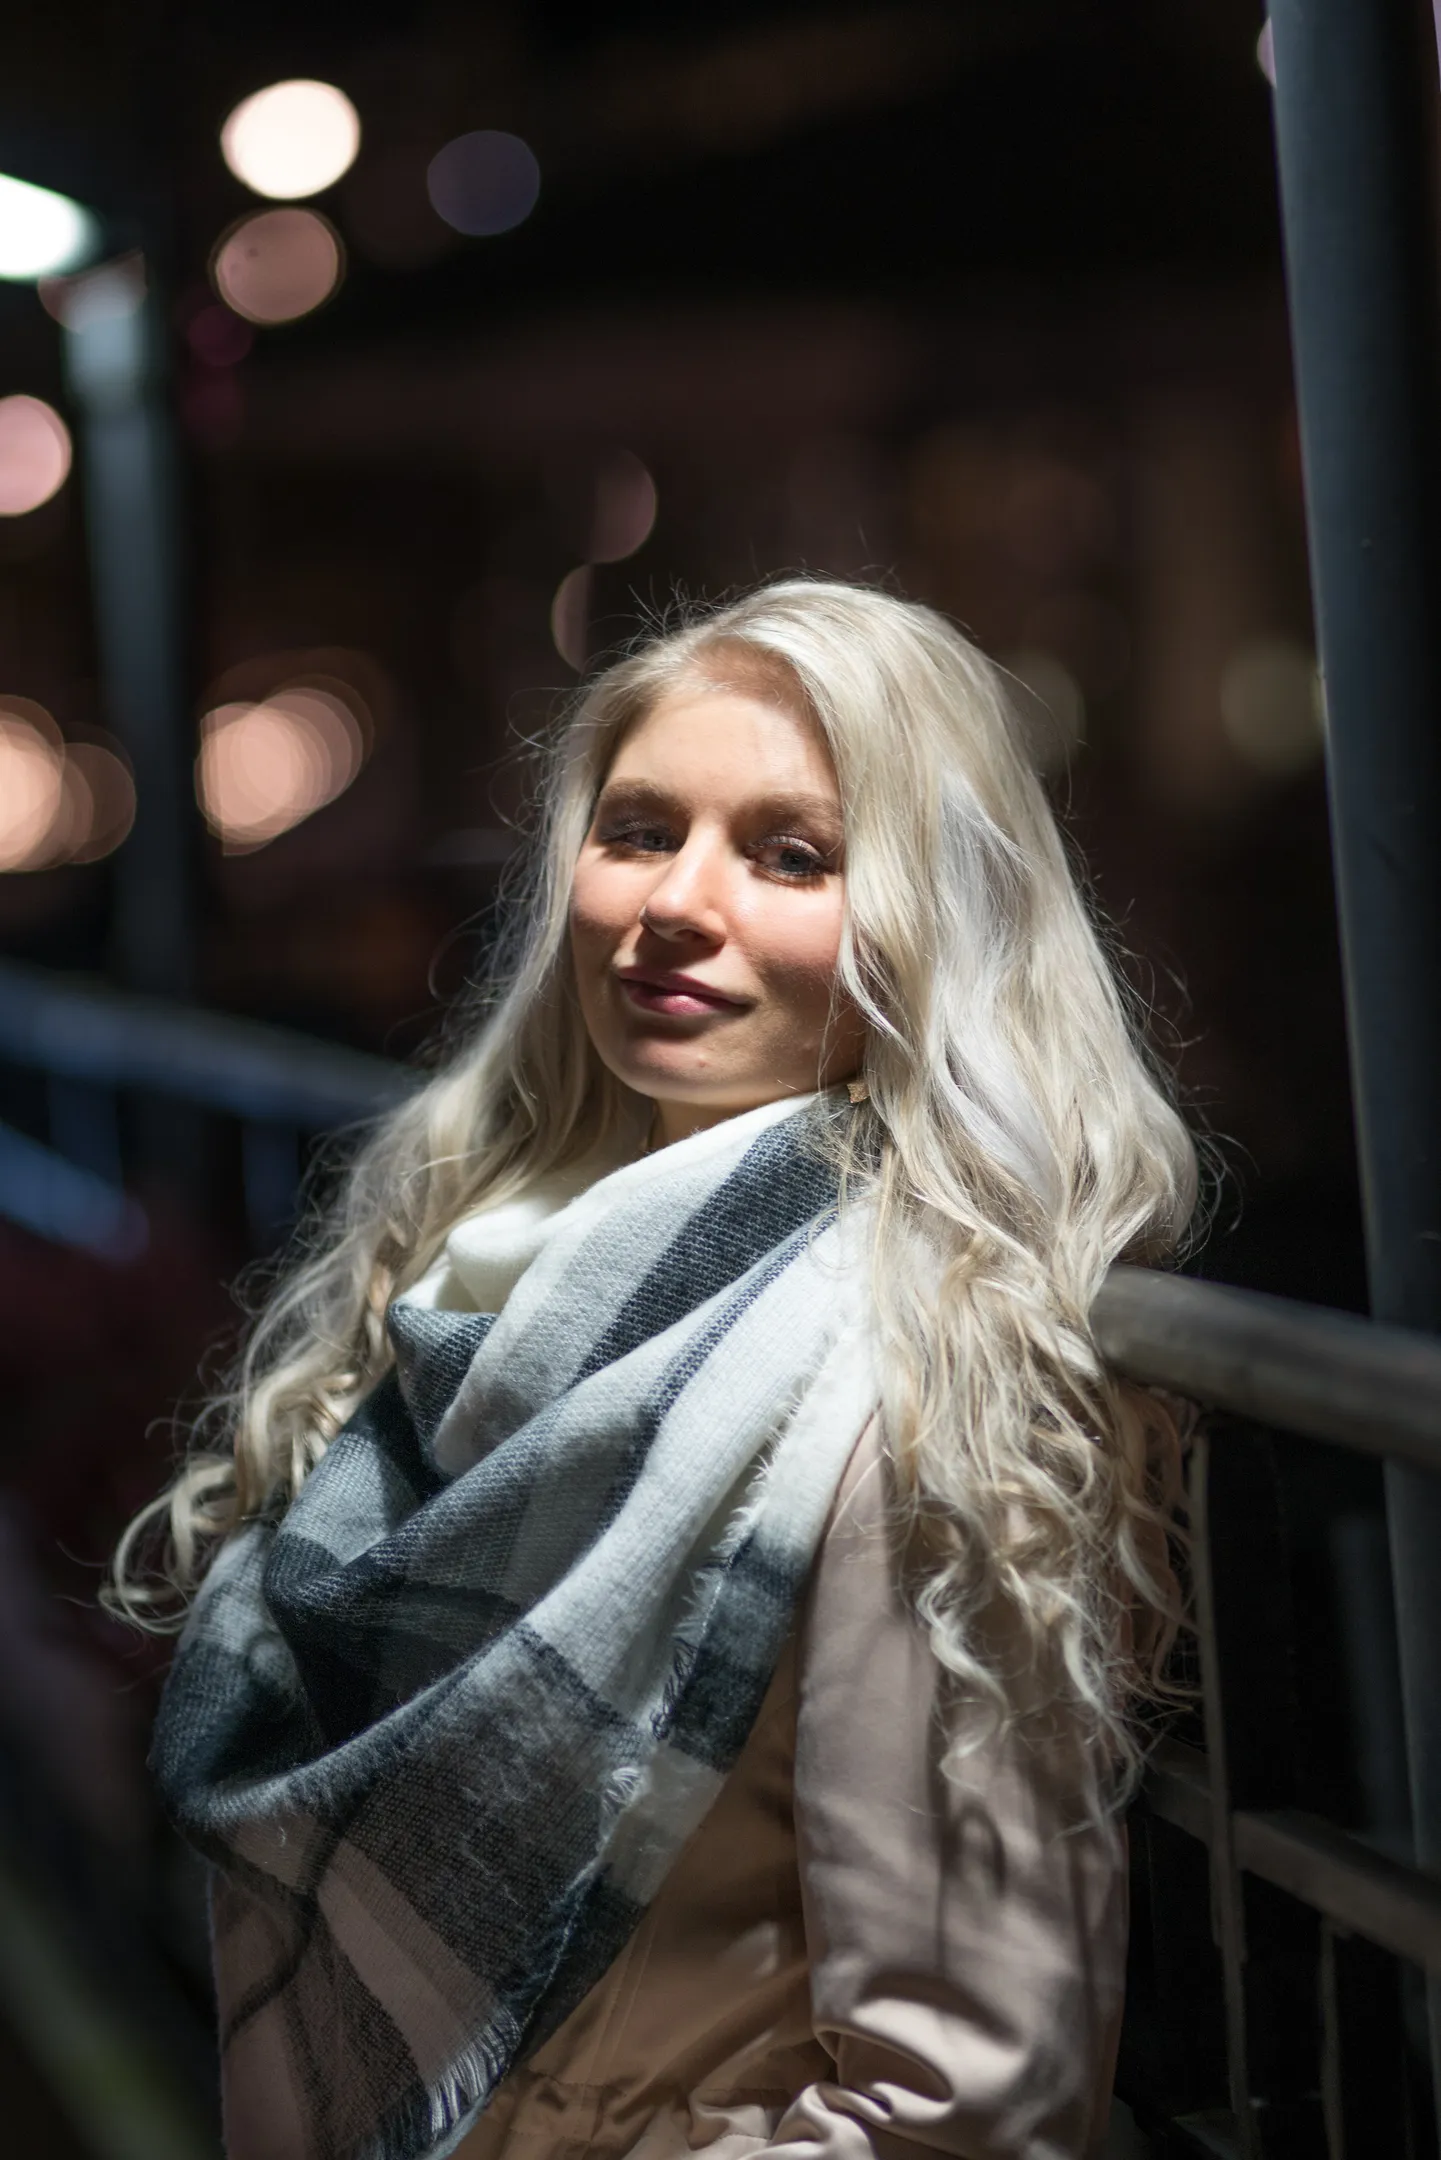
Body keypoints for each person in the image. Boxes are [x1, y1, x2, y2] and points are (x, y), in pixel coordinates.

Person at [118, 579, 1197, 2160]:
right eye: (637, 830)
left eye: (790, 855)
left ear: (934, 914)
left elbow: (960, 2101)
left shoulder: (915, 1385)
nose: (674, 903)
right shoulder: (462, 1288)